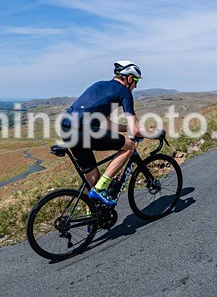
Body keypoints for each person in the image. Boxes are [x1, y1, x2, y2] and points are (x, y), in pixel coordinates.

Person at [60, 60, 154, 206]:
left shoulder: (99, 85)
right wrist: (154, 132)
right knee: (129, 145)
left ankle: (92, 215)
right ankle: (100, 189)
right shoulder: (124, 92)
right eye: (135, 81)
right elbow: (135, 130)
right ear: (129, 78)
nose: (136, 85)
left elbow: (104, 124)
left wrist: (127, 129)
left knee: (93, 177)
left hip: (66, 129)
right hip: (82, 130)